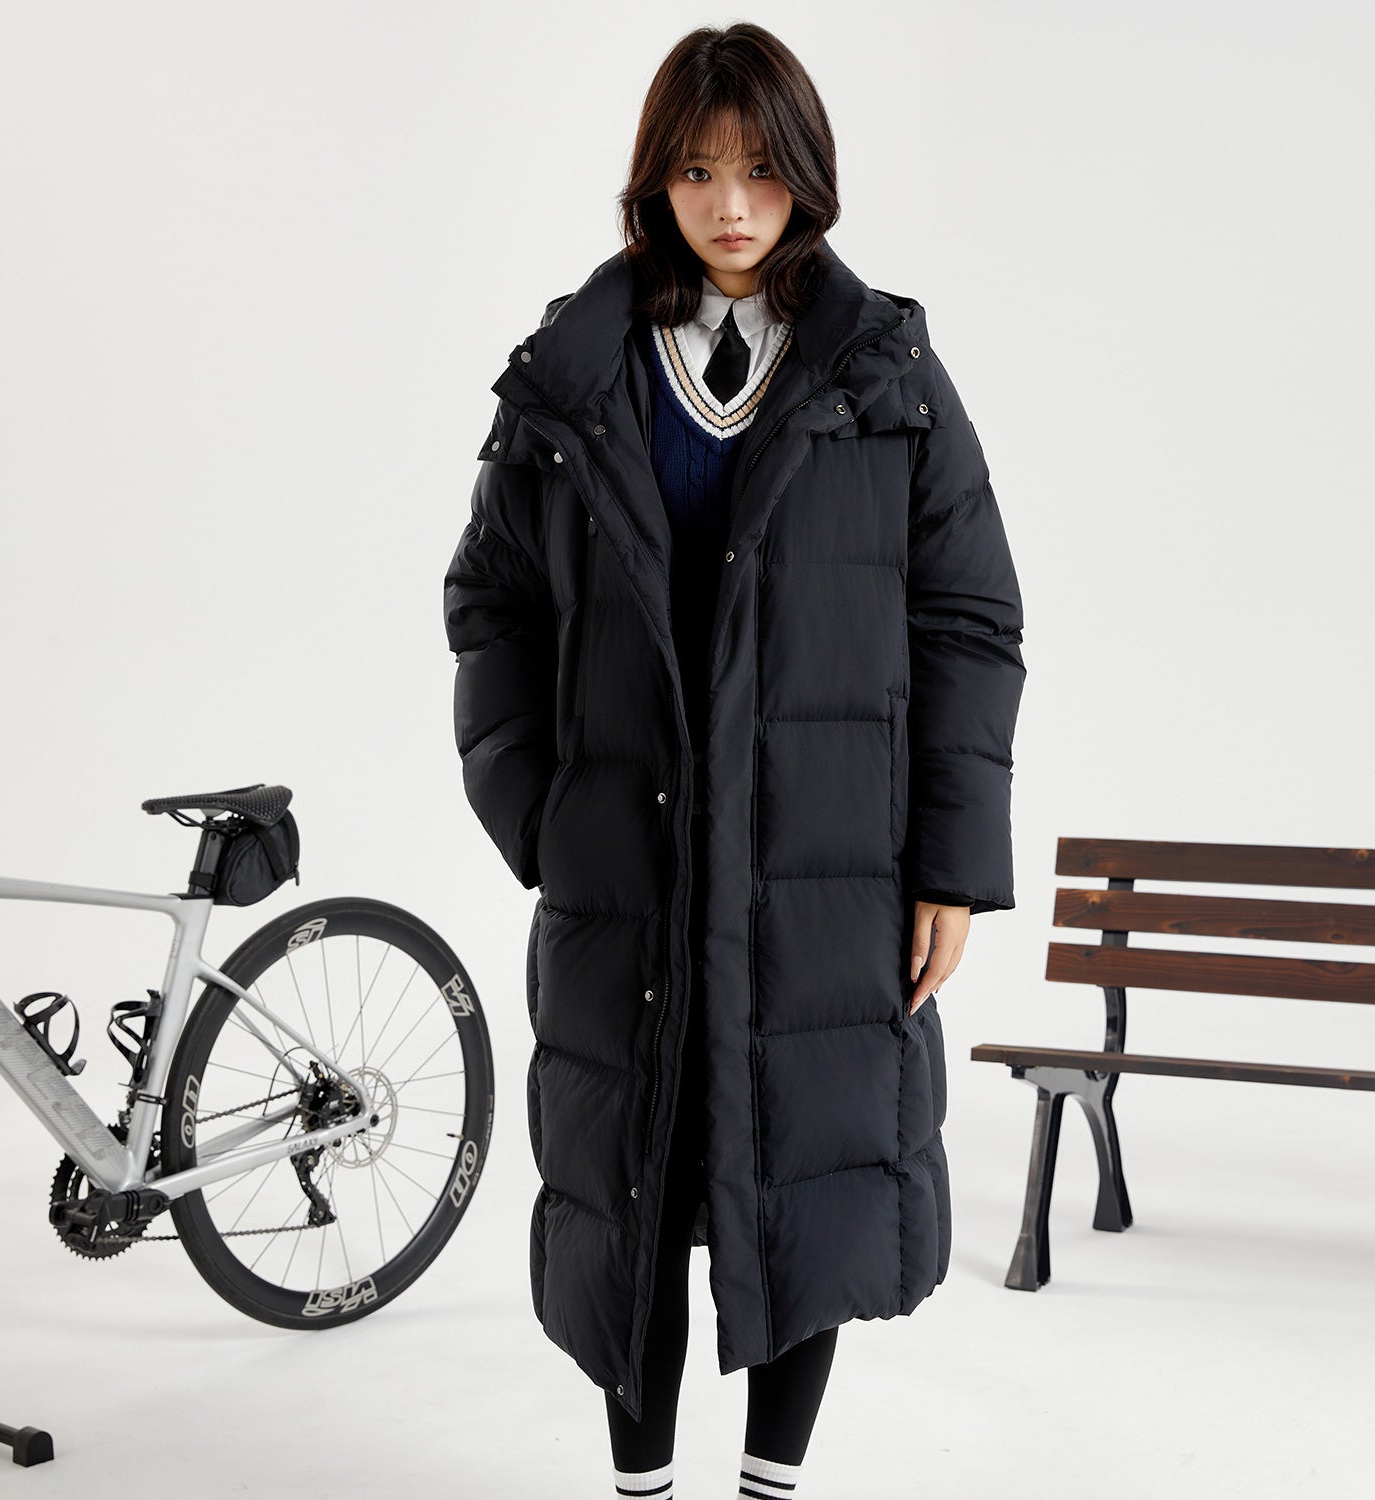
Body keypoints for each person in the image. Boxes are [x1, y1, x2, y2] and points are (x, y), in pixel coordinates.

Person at [443, 23, 1026, 1498]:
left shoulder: (887, 377)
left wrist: (951, 865)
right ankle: (639, 1486)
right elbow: (491, 603)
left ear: (806, 177)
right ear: (656, 179)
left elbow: (971, 618)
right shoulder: (573, 380)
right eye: (698, 171)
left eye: (761, 170)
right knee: (632, 1183)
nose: (731, 205)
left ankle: (772, 1483)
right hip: (627, 867)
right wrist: (540, 815)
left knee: (803, 1183)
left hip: (825, 869)